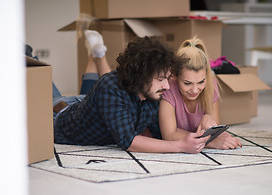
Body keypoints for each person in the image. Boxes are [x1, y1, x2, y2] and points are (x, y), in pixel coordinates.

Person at [53, 30, 211, 154]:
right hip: (58, 113)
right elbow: (128, 142)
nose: (167, 86)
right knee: (34, 85)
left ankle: (94, 56)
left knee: (88, 99)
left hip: (87, 105)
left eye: (167, 78)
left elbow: (163, 133)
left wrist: (204, 138)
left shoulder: (153, 94)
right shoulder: (111, 87)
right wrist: (180, 146)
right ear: (142, 75)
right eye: (161, 79)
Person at [159, 37, 242, 150]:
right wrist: (209, 142)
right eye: (187, 83)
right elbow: (169, 135)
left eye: (201, 82)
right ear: (175, 76)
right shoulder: (169, 87)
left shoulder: (210, 85)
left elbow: (215, 131)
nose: (195, 90)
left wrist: (207, 117)